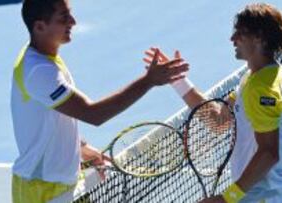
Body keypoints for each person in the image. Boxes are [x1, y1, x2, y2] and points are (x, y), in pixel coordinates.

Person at [10, 0, 188, 202]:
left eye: (70, 14)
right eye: (63, 18)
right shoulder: (39, 71)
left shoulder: (45, 58)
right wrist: (149, 81)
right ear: (40, 26)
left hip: (63, 184)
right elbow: (93, 114)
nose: (73, 22)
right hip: (42, 192)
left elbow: (52, 117)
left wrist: (80, 147)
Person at [144, 3, 282, 203]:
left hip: (266, 197)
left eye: (240, 33)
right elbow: (219, 121)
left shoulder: (262, 88)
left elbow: (269, 153)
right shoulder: (258, 77)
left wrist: (226, 199)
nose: (232, 38)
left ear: (260, 38)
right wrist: (178, 81)